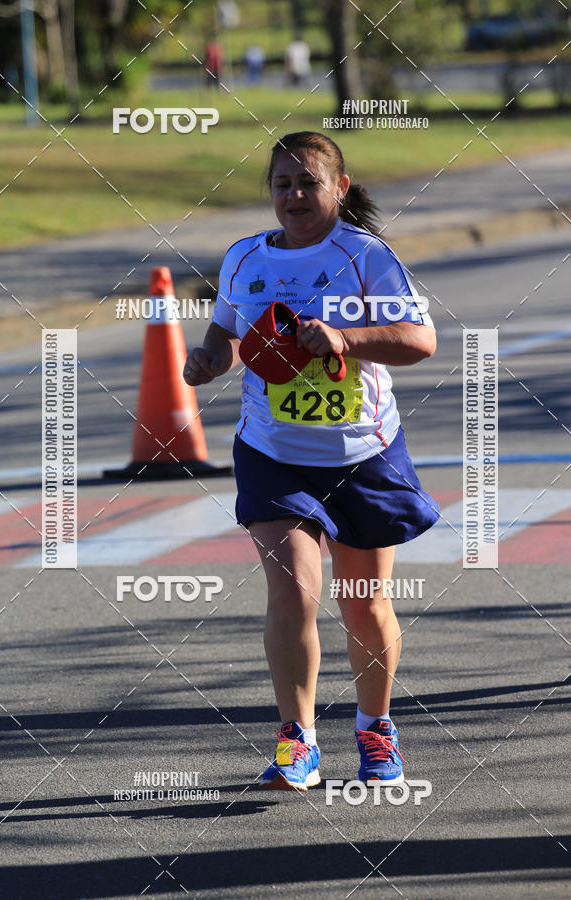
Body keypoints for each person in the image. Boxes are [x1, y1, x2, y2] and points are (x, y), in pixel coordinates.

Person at [183, 131, 440, 792]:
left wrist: (347, 339)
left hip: (363, 453)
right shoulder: (245, 258)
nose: (294, 196)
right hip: (273, 452)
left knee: (363, 604)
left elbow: (420, 339)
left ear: (339, 189)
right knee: (293, 592)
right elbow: (228, 330)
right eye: (282, 185)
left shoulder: (366, 257)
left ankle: (375, 727)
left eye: (308, 183)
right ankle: (296, 740)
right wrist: (210, 358)